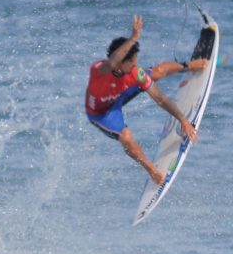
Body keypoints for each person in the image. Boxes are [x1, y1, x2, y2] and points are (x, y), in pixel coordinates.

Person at [85, 15, 208, 185]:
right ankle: (151, 170)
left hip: (121, 94)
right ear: (121, 63)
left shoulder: (135, 73)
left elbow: (160, 98)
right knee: (126, 137)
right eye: (132, 62)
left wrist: (183, 120)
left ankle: (188, 66)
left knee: (157, 71)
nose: (136, 65)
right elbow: (112, 63)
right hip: (101, 113)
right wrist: (133, 38)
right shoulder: (99, 70)